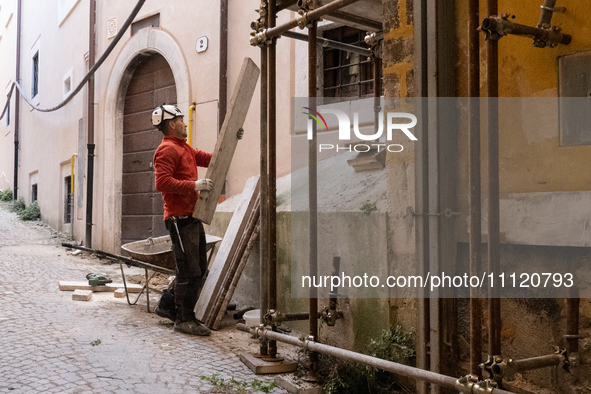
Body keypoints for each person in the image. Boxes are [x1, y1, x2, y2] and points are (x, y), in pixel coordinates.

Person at [150, 104, 214, 336]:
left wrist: (231, 143)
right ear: (170, 124)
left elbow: (207, 159)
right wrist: (194, 186)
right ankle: (184, 319)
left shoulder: (183, 147)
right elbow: (162, 182)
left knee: (198, 268)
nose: (184, 122)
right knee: (189, 272)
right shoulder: (166, 150)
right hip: (178, 218)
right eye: (180, 119)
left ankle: (167, 305)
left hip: (192, 215)